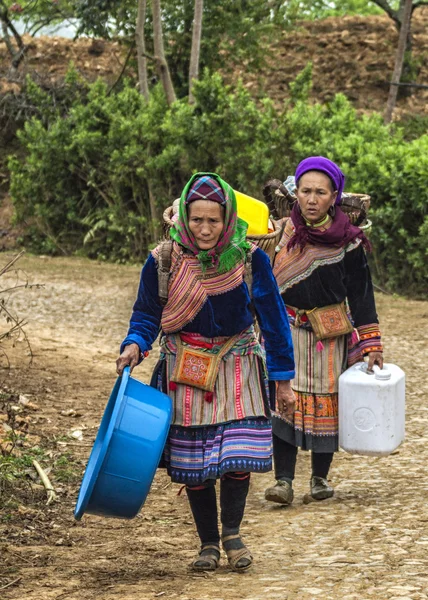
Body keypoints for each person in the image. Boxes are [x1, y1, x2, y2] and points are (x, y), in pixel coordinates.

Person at [116, 173, 295, 572]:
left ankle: (232, 532)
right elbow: (147, 313)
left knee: (236, 457)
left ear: (228, 218)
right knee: (193, 462)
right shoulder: (163, 260)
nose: (205, 229)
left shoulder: (251, 260)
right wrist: (134, 344)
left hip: (238, 364)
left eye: (214, 220)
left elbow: (274, 321)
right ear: (183, 216)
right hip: (184, 367)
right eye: (197, 220)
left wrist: (283, 380)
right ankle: (208, 543)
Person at [264, 156, 383, 505]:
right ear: (294, 193)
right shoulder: (280, 232)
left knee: (327, 405)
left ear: (334, 196)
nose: (312, 199)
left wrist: (370, 343)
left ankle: (319, 478)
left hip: (330, 335)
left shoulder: (349, 241)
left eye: (320, 192)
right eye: (305, 191)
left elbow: (362, 293)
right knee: (285, 402)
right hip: (287, 330)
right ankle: (283, 481)